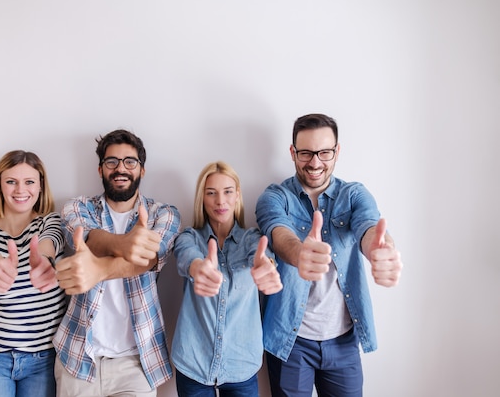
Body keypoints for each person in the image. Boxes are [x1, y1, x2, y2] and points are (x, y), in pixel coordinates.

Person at [256, 113, 403, 397]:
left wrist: (379, 250)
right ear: (292, 153)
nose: (315, 162)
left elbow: (369, 229)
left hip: (343, 342)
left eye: (324, 152)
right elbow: (279, 232)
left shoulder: (354, 194)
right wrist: (300, 254)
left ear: (337, 151)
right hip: (291, 342)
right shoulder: (275, 197)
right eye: (306, 153)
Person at [52, 129, 181, 397]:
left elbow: (148, 260)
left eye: (129, 162)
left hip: (136, 361)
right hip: (78, 356)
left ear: (142, 170)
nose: (120, 168)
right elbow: (89, 238)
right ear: (100, 169)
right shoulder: (77, 207)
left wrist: (98, 270)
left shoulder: (163, 214)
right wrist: (125, 245)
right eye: (112, 161)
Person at [171, 161, 283, 397]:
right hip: (194, 364)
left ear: (237, 195)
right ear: (202, 198)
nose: (220, 201)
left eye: (227, 192)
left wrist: (268, 266)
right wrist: (198, 267)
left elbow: (262, 257)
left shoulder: (252, 238)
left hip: (241, 366)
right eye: (211, 193)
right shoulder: (189, 237)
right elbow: (186, 256)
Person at [0, 150, 66, 397]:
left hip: (43, 361)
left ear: (40, 186)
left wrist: (43, 259)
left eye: (29, 181)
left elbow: (52, 240)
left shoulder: (51, 222)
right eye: (11, 181)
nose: (21, 190)